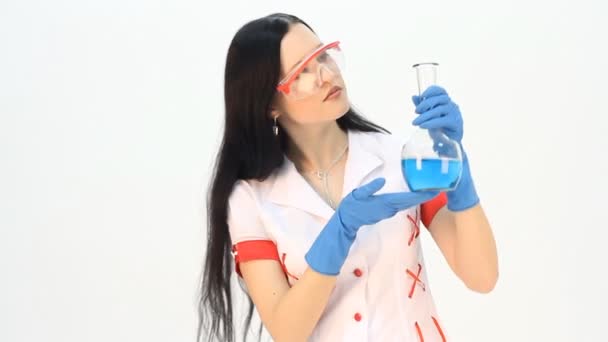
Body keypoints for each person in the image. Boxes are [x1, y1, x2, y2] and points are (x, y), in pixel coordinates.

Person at [198, 13, 498, 342]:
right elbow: (287, 331)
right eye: (303, 71)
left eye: (323, 55)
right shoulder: (250, 199)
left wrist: (459, 177)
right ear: (269, 105)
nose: (327, 74)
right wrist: (338, 233)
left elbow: (481, 276)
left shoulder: (400, 159)